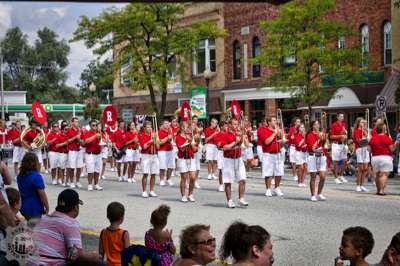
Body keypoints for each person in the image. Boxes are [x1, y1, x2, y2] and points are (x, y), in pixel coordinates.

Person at [29, 189, 100, 265]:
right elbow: (77, 255)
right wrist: (93, 256)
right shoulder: (70, 223)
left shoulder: (43, 219)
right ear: (76, 207)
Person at [221, 117, 248, 208]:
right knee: (228, 181)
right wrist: (235, 142)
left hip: (238, 159)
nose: (236, 126)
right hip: (228, 160)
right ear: (229, 125)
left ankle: (241, 199)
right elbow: (224, 147)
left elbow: (246, 145)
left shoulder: (239, 133)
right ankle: (229, 201)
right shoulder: (225, 134)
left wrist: (243, 137)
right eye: (234, 124)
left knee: (243, 179)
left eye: (237, 124)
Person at [16, 152, 49, 222]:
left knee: (30, 226)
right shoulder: (36, 176)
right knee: (35, 229)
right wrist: (47, 207)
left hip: (24, 205)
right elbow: (42, 194)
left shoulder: (20, 175)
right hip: (34, 207)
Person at [368, 122, 398, 195]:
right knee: (384, 174)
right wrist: (396, 144)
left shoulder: (373, 138)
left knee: (378, 174)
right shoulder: (387, 138)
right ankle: (381, 191)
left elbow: (369, 150)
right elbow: (392, 149)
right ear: (384, 129)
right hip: (385, 157)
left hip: (375, 158)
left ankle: (378, 190)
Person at [259, 116, 286, 197]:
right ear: (269, 122)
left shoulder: (278, 130)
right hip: (268, 154)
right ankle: (268, 189)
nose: (276, 122)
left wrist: (282, 139)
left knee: (279, 171)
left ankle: (277, 188)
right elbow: (267, 142)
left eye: (276, 120)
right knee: (268, 172)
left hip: (278, 153)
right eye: (274, 120)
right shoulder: (263, 130)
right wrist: (274, 133)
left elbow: (281, 142)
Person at [99, 202, 130, 266]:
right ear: (122, 218)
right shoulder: (124, 234)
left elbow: (101, 254)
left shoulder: (103, 232)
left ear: (107, 216)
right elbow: (128, 254)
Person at [306, 120, 327, 202]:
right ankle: (313, 195)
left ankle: (319, 193)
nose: (317, 126)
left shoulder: (321, 133)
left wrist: (323, 137)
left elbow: (325, 144)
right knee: (313, 176)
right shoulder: (310, 135)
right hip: (313, 156)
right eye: (315, 124)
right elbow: (313, 148)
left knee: (323, 176)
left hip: (322, 156)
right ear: (312, 126)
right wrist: (318, 139)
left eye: (318, 124)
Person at [175, 121, 197, 202]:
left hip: (191, 158)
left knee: (193, 177)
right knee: (184, 178)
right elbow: (182, 149)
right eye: (185, 127)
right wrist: (187, 141)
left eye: (188, 127)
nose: (187, 128)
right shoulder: (178, 137)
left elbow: (195, 150)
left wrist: (192, 142)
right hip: (182, 159)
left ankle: (190, 194)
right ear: (181, 128)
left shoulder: (191, 136)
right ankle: (183, 195)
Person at [138, 120, 160, 198]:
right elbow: (144, 147)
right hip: (146, 156)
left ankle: (151, 191)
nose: (149, 128)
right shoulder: (141, 135)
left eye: (150, 127)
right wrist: (151, 141)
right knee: (145, 174)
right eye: (147, 127)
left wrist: (156, 140)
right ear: (144, 128)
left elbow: (158, 147)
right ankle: (144, 191)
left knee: (154, 174)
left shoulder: (154, 134)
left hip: (154, 155)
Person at [83, 120, 103, 191]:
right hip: (90, 154)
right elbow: (86, 141)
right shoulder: (88, 133)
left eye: (95, 125)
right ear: (90, 126)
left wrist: (100, 137)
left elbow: (102, 142)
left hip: (98, 153)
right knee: (90, 170)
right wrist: (95, 136)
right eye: (93, 125)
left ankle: (96, 184)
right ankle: (89, 184)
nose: (95, 126)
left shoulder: (99, 133)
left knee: (97, 170)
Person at [330, 112, 348, 184]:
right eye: (340, 116)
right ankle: (336, 177)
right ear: (337, 117)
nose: (342, 118)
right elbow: (331, 136)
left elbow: (345, 134)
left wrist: (345, 133)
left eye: (343, 117)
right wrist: (340, 136)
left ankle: (341, 175)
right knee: (336, 161)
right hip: (336, 144)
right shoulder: (334, 125)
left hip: (343, 144)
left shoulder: (343, 124)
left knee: (345, 160)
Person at [353, 117, 370, 192]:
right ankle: (358, 185)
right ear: (358, 123)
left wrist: (366, 135)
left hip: (365, 149)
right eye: (361, 122)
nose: (363, 123)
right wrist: (363, 139)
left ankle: (362, 185)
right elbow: (357, 141)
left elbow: (369, 140)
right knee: (361, 168)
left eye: (364, 122)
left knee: (365, 168)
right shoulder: (356, 131)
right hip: (359, 149)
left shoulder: (365, 131)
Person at [66, 117, 84, 189]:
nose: (77, 123)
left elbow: (82, 140)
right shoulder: (69, 130)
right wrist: (75, 137)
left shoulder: (80, 130)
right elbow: (67, 141)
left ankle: (77, 181)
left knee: (79, 167)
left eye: (77, 121)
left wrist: (80, 140)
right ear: (72, 123)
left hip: (79, 150)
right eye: (75, 122)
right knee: (72, 167)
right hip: (72, 151)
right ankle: (72, 182)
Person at [158, 120, 175, 186]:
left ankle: (168, 179)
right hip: (162, 151)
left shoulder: (169, 132)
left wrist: (170, 135)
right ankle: (162, 180)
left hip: (170, 150)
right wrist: (167, 137)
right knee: (162, 166)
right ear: (162, 125)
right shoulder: (159, 132)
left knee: (171, 166)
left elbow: (171, 140)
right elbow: (160, 142)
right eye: (165, 123)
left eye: (168, 123)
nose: (167, 125)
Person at [55, 121, 70, 186]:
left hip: (69, 153)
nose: (67, 131)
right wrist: (64, 143)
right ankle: (63, 181)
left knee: (69, 168)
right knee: (62, 168)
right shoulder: (59, 135)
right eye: (66, 129)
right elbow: (56, 145)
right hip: (62, 154)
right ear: (62, 130)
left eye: (68, 129)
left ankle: (67, 181)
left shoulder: (69, 135)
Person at [215, 121, 227, 192]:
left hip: (227, 152)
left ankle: (227, 185)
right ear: (221, 127)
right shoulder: (217, 135)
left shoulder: (227, 134)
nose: (226, 127)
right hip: (221, 153)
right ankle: (221, 185)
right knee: (221, 170)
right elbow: (218, 145)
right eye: (225, 126)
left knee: (227, 170)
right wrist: (224, 143)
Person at [288, 117, 301, 181]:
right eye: (298, 122)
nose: (299, 123)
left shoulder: (300, 129)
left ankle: (299, 175)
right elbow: (289, 137)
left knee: (299, 162)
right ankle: (294, 175)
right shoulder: (292, 129)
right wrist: (291, 137)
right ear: (295, 122)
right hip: (293, 147)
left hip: (298, 147)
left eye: (299, 122)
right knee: (293, 162)